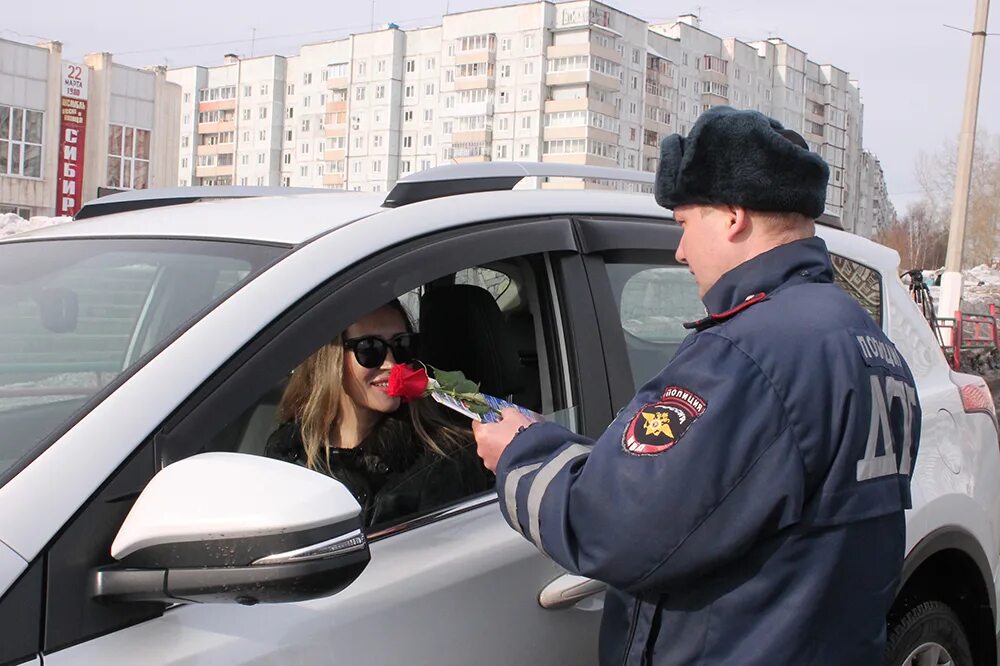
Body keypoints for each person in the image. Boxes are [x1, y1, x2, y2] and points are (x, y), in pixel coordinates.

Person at [473, 106, 920, 665]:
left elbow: (613, 526)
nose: (680, 250)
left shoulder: (749, 353)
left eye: (684, 224)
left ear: (732, 216)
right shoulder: (869, 342)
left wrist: (519, 453)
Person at [266, 299, 493, 527]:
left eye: (401, 345)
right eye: (369, 349)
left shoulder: (442, 459)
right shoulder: (288, 453)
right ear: (330, 362)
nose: (392, 364)